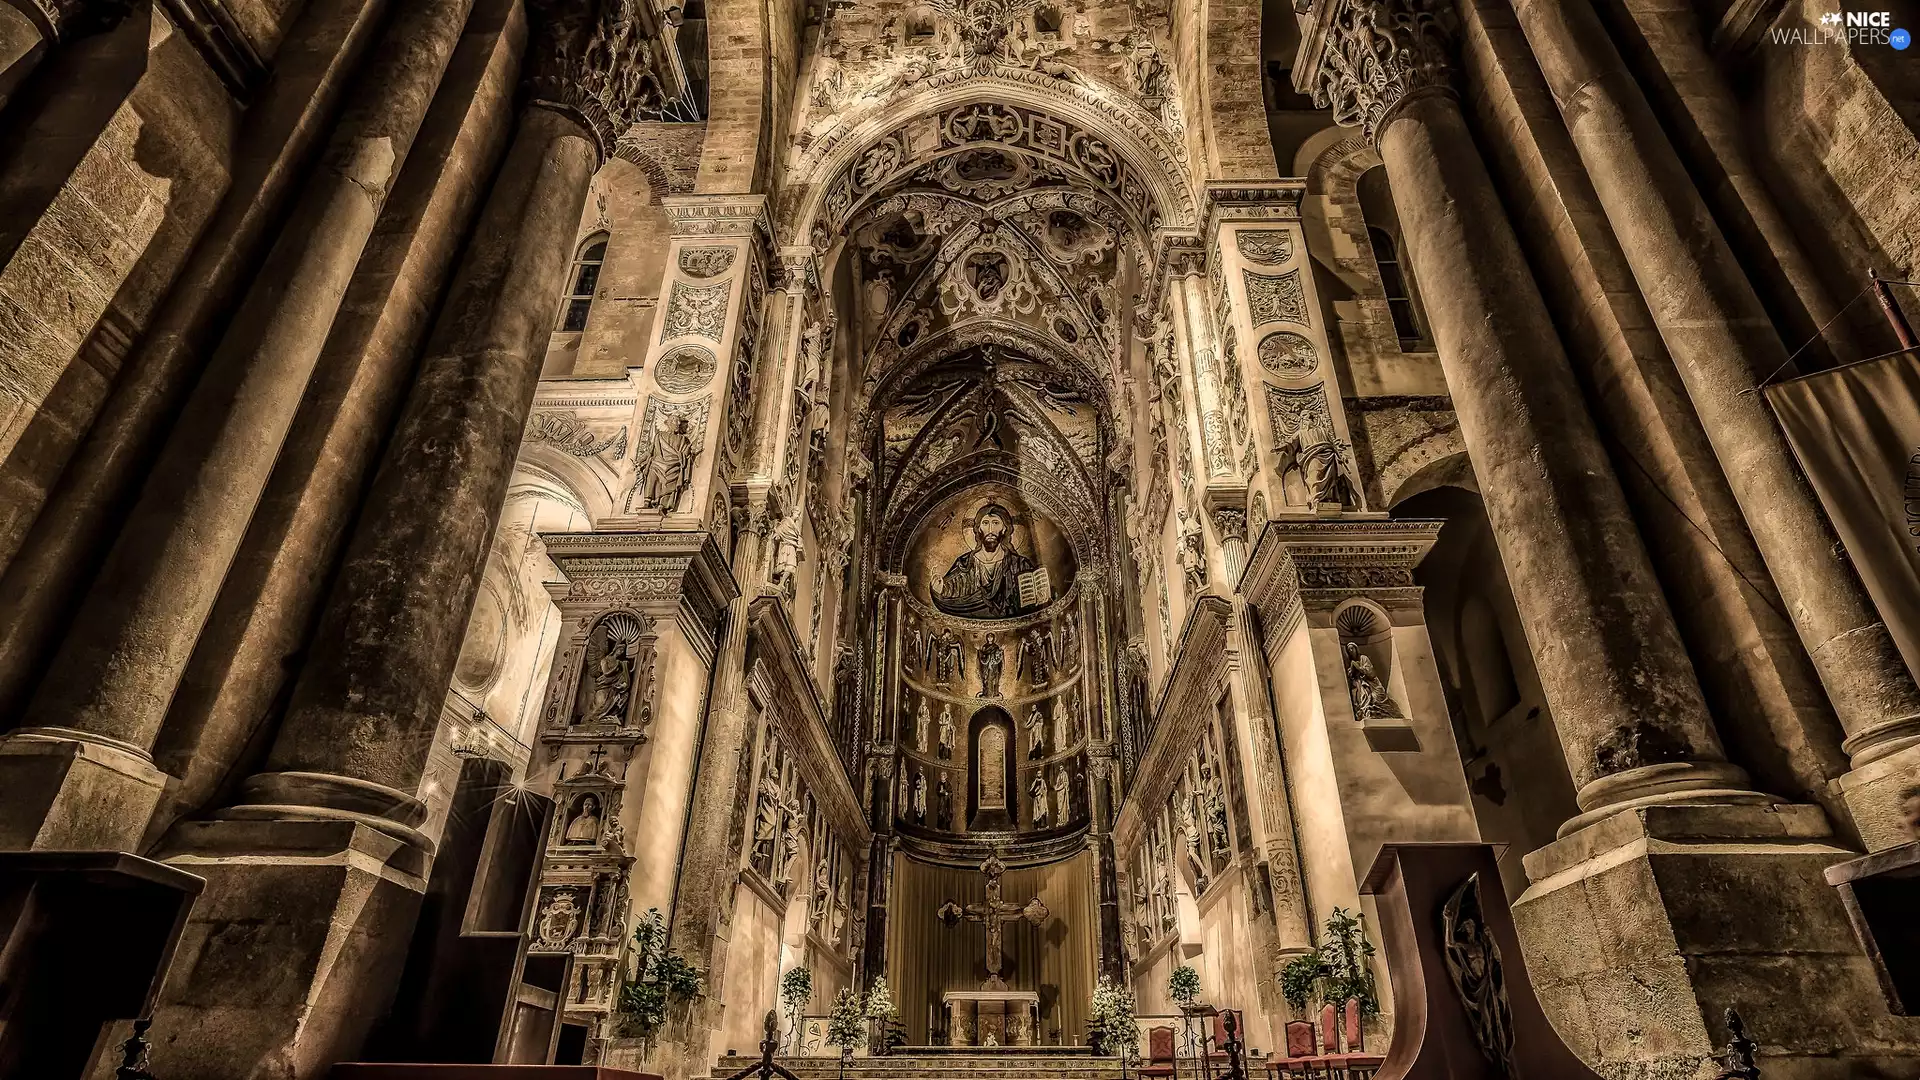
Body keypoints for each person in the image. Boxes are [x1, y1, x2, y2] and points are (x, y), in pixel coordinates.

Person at [932, 503, 1039, 618]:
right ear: (978, 528)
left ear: (1004, 529)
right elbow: (951, 591)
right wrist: (939, 589)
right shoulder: (964, 563)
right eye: (985, 523)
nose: (990, 530)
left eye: (996, 523)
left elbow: (1032, 603)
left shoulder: (1020, 564)